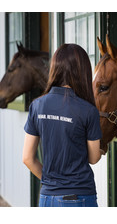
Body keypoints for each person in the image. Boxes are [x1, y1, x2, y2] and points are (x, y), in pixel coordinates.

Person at [23, 43, 104, 207]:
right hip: (78, 197)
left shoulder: (37, 105)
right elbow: (93, 158)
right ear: (83, 71)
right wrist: (100, 150)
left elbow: (27, 158)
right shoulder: (88, 110)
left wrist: (51, 183)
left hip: (46, 198)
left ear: (55, 68)